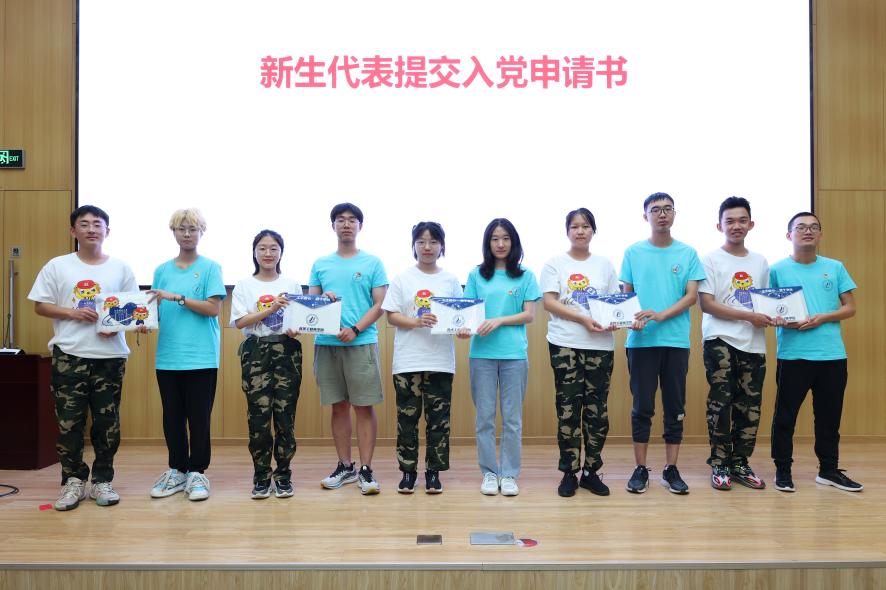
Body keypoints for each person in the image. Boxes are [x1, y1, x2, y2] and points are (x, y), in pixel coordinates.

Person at [29, 205, 138, 510]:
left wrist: (117, 325)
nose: (91, 229)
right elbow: (40, 305)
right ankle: (73, 481)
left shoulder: (121, 268)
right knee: (69, 423)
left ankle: (102, 480)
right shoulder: (57, 266)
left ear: (107, 231)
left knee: (107, 423)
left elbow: (132, 310)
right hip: (69, 355)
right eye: (84, 224)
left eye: (97, 224)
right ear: (73, 231)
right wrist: (72, 313)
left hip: (110, 357)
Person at [770, 212, 862, 492]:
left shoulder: (835, 267)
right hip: (793, 355)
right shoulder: (776, 270)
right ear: (789, 235)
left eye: (813, 227)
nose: (807, 231)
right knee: (785, 417)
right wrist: (784, 320)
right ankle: (783, 471)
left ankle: (828, 470)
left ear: (820, 234)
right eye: (800, 227)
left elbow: (850, 308)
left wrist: (823, 317)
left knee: (829, 418)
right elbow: (769, 311)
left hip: (832, 356)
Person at [620, 192, 705, 495]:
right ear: (646, 216)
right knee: (642, 407)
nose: (662, 214)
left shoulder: (688, 253)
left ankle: (671, 469)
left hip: (676, 342)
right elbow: (626, 296)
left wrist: (659, 315)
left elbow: (691, 296)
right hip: (641, 342)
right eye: (655, 210)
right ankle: (640, 468)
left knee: (674, 406)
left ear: (674, 214)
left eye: (668, 209)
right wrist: (632, 318)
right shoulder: (633, 252)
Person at [308, 203, 388, 495]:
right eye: (340, 220)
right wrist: (323, 300)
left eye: (352, 220)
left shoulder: (373, 263)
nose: (346, 224)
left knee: (363, 405)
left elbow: (380, 304)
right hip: (327, 344)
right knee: (338, 406)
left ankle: (366, 469)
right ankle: (345, 466)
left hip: (361, 342)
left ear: (360, 226)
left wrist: (355, 329)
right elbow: (311, 305)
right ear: (333, 226)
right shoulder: (320, 264)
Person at [148, 209, 226, 501]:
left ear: (201, 232)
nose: (187, 234)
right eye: (181, 229)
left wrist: (178, 298)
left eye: (193, 229)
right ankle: (177, 471)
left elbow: (213, 308)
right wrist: (142, 322)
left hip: (201, 357)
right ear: (174, 232)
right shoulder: (161, 270)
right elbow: (153, 311)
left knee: (199, 419)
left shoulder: (210, 268)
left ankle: (197, 473)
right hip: (168, 357)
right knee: (172, 418)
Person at [541, 208, 619, 498]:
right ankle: (569, 472)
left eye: (586, 226)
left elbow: (614, 303)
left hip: (600, 346)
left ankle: (591, 472)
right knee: (568, 410)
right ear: (567, 231)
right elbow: (549, 302)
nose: (580, 231)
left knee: (597, 412)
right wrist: (582, 318)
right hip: (565, 344)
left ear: (593, 231)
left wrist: (617, 319)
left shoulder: (605, 264)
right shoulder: (554, 264)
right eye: (575, 226)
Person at [382, 221, 463, 494]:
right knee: (407, 419)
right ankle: (408, 472)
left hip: (441, 360)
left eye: (433, 242)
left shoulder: (450, 280)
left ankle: (433, 473)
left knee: (439, 420)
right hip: (408, 360)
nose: (427, 247)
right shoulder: (402, 278)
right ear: (414, 245)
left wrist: (463, 329)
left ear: (442, 246)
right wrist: (416, 322)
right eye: (421, 242)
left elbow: (459, 316)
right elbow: (391, 316)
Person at [698, 197, 771, 491]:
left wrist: (771, 315)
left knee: (750, 406)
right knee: (721, 403)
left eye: (742, 220)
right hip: (720, 340)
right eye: (730, 221)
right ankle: (720, 463)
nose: (736, 226)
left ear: (751, 224)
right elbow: (707, 304)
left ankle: (740, 462)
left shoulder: (760, 261)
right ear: (720, 226)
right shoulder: (710, 259)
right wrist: (749, 316)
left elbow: (765, 302)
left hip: (754, 343)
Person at [464, 218, 541, 497]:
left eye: (505, 238)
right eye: (495, 238)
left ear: (513, 242)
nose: (500, 244)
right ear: (488, 243)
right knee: (484, 418)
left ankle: (508, 474)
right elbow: (468, 314)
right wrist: (462, 329)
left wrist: (498, 320)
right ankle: (489, 473)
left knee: (512, 420)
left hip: (514, 355)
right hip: (481, 355)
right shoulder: (476, 275)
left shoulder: (526, 275)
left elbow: (529, 315)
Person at [230, 230, 302, 499]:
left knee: (285, 417)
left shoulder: (292, 284)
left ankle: (283, 476)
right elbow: (240, 322)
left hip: (287, 351)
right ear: (254, 252)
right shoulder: (244, 285)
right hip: (256, 352)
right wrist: (270, 309)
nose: (268, 253)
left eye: (273, 248)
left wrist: (296, 329)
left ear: (281, 252)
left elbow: (298, 321)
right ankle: (261, 477)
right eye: (262, 248)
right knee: (258, 419)